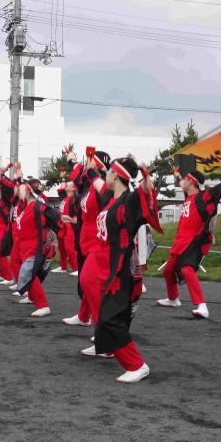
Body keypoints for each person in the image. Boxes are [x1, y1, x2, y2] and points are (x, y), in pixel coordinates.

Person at [79, 156, 163, 383]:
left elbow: (145, 195)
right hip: (101, 268)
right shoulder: (109, 198)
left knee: (109, 319)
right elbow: (96, 181)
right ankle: (105, 346)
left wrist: (146, 182)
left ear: (115, 175)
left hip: (117, 270)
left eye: (108, 172)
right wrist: (91, 169)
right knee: (102, 314)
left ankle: (137, 365)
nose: (104, 176)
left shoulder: (128, 201)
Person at [157, 169, 221, 318]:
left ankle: (202, 306)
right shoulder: (188, 195)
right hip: (180, 241)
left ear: (192, 182)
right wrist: (177, 175)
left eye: (185, 180)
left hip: (195, 241)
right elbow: (181, 182)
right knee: (168, 271)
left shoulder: (204, 196)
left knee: (187, 269)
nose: (182, 183)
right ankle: (173, 299)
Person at [61, 148, 111, 327]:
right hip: (85, 239)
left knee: (88, 281)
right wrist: (71, 160)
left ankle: (104, 329)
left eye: (90, 160)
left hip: (97, 241)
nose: (85, 163)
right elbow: (77, 174)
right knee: (86, 280)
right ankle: (84, 316)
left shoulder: (102, 187)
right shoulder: (88, 186)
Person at [14, 167, 60, 318]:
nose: (18, 191)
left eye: (21, 189)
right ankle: (33, 297)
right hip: (24, 246)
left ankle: (43, 305)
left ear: (27, 191)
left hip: (34, 245)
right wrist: (18, 177)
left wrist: (61, 218)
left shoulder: (37, 206)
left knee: (29, 274)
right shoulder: (25, 205)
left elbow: (52, 215)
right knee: (28, 273)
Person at [0, 169, 15, 285]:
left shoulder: (4, 200)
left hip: (4, 228)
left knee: (2, 253)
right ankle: (2, 273)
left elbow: (7, 187)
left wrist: (2, 175)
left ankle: (9, 277)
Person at [53, 179, 79, 275]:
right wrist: (62, 178)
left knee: (69, 247)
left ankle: (76, 268)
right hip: (61, 226)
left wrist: (70, 220)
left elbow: (78, 215)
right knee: (61, 247)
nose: (66, 185)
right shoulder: (65, 198)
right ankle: (62, 266)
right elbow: (60, 189)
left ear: (73, 188)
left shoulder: (75, 199)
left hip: (70, 226)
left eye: (70, 184)